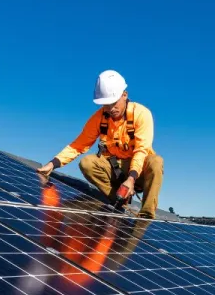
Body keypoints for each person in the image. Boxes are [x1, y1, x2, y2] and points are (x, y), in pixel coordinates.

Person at [37, 70, 163, 219]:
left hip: (139, 171)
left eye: (113, 103)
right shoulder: (99, 118)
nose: (110, 109)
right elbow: (78, 145)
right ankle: (119, 200)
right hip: (114, 168)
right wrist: (52, 164)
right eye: (106, 105)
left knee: (156, 162)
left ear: (124, 95)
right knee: (87, 163)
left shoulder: (141, 114)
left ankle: (146, 217)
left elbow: (141, 150)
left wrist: (131, 178)